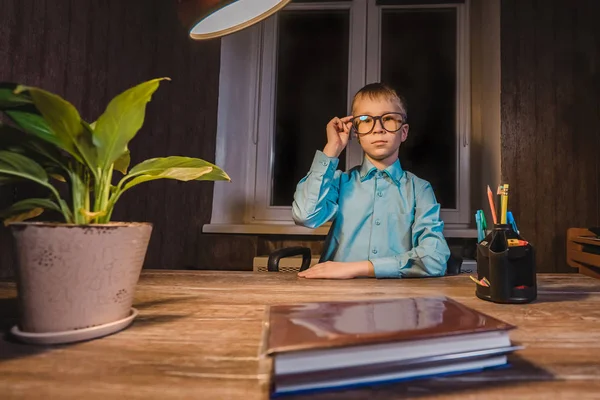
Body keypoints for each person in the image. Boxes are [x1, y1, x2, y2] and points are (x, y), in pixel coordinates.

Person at [292, 83, 450, 279]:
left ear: (404, 132)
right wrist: (332, 148)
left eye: (389, 119)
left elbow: (434, 258)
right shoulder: (340, 182)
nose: (378, 129)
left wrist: (355, 268)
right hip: (336, 299)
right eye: (366, 120)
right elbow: (305, 215)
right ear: (356, 133)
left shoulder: (420, 189)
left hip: (397, 300)